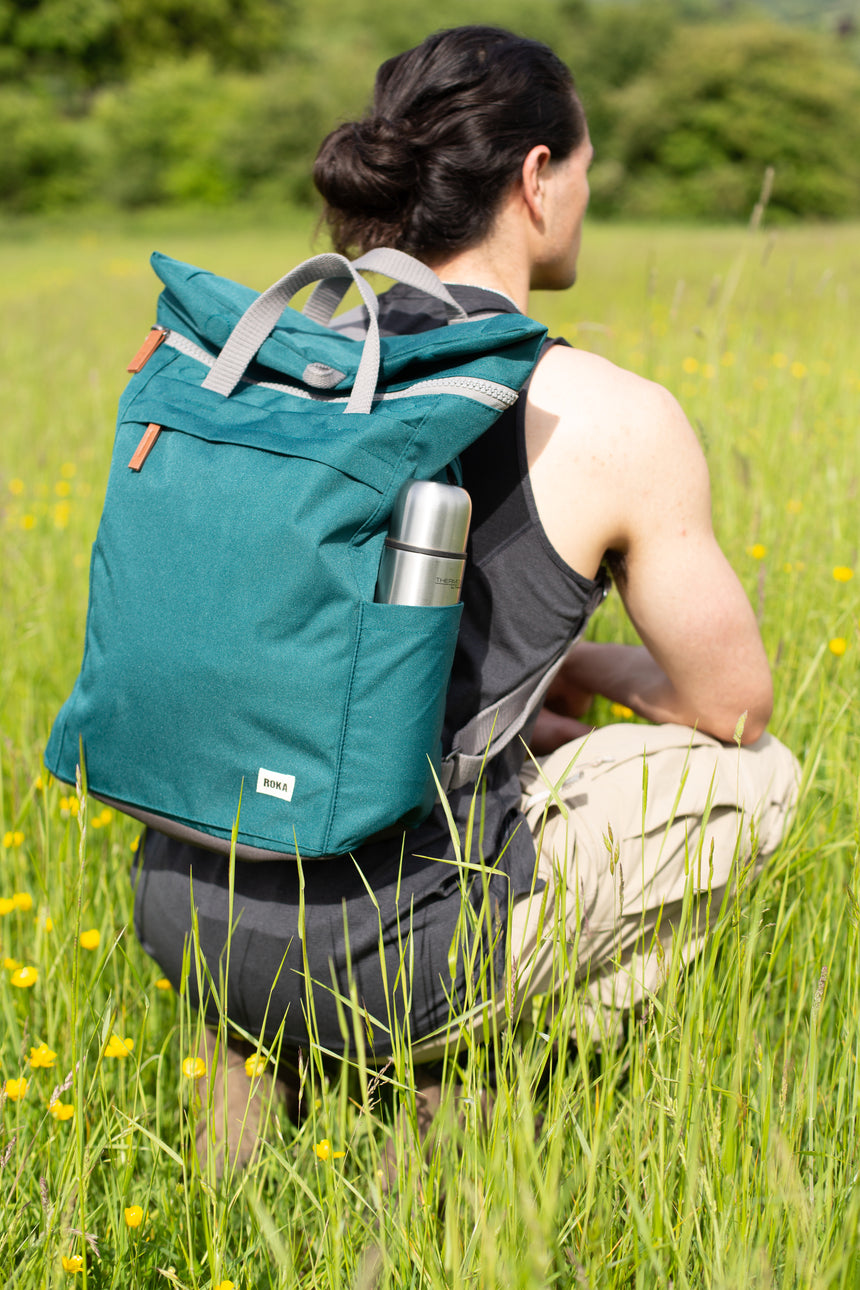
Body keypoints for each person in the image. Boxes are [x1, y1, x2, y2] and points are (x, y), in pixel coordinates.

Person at [132, 25, 799, 1169]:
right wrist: (582, 667)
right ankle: (470, 1072)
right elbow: (732, 704)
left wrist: (521, 705)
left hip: (180, 904)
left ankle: (244, 1130)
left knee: (486, 763)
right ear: (536, 178)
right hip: (384, 948)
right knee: (756, 779)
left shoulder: (276, 370)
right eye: (583, 173)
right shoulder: (604, 412)